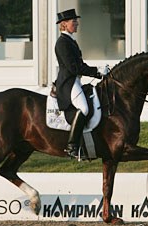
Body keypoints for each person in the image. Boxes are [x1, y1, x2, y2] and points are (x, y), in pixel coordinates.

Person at [55, 9, 108, 158]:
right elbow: (74, 68)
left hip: (75, 80)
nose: (77, 23)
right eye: (74, 21)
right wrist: (97, 72)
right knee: (84, 108)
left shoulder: (71, 41)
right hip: (68, 82)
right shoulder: (62, 43)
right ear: (64, 24)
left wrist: (97, 72)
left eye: (76, 21)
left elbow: (80, 64)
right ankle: (72, 146)